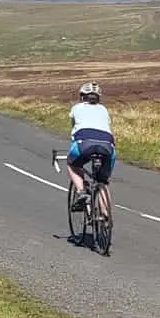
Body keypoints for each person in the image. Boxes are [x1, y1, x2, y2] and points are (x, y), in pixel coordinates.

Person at [67, 82, 116, 218]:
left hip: (84, 142)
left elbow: (73, 129)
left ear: (82, 96)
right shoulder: (104, 109)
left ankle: (81, 191)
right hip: (107, 145)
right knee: (103, 181)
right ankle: (105, 215)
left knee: (72, 164)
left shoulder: (77, 108)